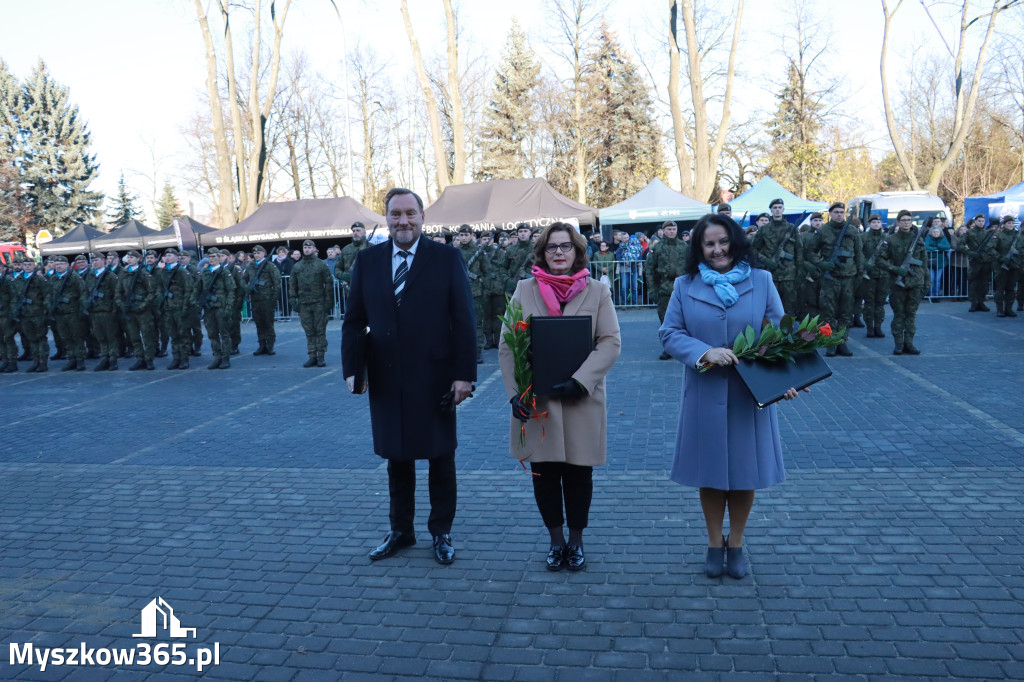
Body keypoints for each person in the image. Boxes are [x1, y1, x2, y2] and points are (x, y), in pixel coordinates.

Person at [659, 213, 805, 579]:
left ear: (735, 242)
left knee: (744, 472)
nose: (717, 249)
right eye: (709, 244)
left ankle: (736, 542)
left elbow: (780, 334)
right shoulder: (684, 285)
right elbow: (670, 332)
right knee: (710, 474)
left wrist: (785, 381)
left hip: (750, 394)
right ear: (699, 248)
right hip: (704, 392)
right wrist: (703, 352)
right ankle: (713, 542)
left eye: (723, 242)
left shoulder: (762, 280)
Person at [341, 187, 477, 565]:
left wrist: (464, 375)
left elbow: (464, 320)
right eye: (395, 214)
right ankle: (401, 530)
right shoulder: (368, 261)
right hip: (386, 378)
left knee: (439, 456)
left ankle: (441, 532)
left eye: (410, 214)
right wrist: (352, 369)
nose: (403, 221)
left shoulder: (446, 258)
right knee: (396, 457)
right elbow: (354, 320)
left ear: (422, 217)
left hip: (435, 377)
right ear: (386, 218)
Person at [499, 223, 621, 572]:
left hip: (581, 399)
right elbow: (508, 345)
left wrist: (582, 380)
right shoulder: (524, 289)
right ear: (542, 252)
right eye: (551, 247)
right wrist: (513, 395)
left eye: (566, 246)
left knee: (579, 476)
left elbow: (610, 342)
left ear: (577, 251)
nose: (558, 253)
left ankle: (577, 542)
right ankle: (556, 542)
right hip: (539, 401)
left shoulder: (598, 291)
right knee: (545, 474)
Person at [808, 202, 859, 357]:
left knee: (845, 313)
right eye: (836, 212)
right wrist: (821, 263)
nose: (839, 215)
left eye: (841, 212)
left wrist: (859, 274)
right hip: (829, 279)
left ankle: (842, 342)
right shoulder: (823, 231)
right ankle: (830, 343)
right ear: (830, 214)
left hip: (848, 277)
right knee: (827, 314)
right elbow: (810, 251)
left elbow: (859, 254)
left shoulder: (852, 230)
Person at [883, 210, 929, 355]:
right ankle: (898, 343)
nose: (906, 222)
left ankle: (909, 343)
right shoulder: (890, 240)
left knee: (911, 314)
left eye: (908, 220)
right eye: (903, 220)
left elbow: (924, 263)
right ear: (898, 222)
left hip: (915, 282)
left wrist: (927, 282)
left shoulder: (918, 240)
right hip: (898, 284)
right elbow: (879, 260)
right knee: (899, 314)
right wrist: (896, 269)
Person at [750, 198, 802, 315]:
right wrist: (766, 261)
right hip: (770, 274)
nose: (777, 210)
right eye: (775, 208)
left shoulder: (792, 228)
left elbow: (799, 250)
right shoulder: (764, 229)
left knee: (789, 308)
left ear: (783, 209)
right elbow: (753, 249)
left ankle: (789, 332)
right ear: (771, 210)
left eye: (780, 207)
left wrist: (799, 272)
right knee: (770, 306)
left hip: (789, 275)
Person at [646, 221, 689, 359]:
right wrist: (652, 290)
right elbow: (650, 270)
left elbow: (691, 266)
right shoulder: (657, 248)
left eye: (674, 229)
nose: (672, 232)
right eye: (669, 229)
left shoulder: (684, 246)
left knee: (685, 319)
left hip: (683, 288)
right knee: (665, 321)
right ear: (663, 231)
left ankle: (684, 347)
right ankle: (668, 348)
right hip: (664, 289)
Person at [289, 239, 332, 368]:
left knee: (320, 330)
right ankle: (312, 355)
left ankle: (321, 356)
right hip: (304, 304)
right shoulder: (297, 266)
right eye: (305, 247)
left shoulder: (321, 265)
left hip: (319, 302)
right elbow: (292, 285)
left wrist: (328, 302)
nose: (307, 249)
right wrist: (293, 301)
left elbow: (328, 284)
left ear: (314, 249)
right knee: (309, 331)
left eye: (309, 247)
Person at [116, 250, 157, 371]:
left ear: (138, 259)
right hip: (129, 310)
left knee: (147, 336)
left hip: (142, 310)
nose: (129, 259)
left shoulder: (144, 273)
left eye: (132, 257)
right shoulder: (123, 273)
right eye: (128, 257)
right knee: (134, 337)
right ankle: (139, 358)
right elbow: (118, 291)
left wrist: (143, 305)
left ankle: (149, 359)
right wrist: (121, 304)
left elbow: (152, 292)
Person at [195, 247, 236, 369]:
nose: (211, 259)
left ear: (219, 257)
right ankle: (217, 357)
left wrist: (228, 308)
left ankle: (225, 358)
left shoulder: (224, 272)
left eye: (214, 257)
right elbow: (198, 289)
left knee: (224, 333)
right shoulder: (205, 272)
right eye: (210, 257)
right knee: (212, 334)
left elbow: (231, 290)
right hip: (209, 308)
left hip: (221, 307)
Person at [456, 225, 491, 364]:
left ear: (471, 235)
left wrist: (480, 281)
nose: (463, 238)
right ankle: (461, 351)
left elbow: (487, 271)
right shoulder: (454, 252)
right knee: (458, 323)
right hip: (458, 291)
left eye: (466, 235)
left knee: (476, 324)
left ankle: (477, 352)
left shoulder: (479, 251)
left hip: (476, 292)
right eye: (461, 235)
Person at [47, 255, 87, 371]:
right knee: (66, 338)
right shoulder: (54, 278)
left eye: (61, 264)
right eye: (57, 264)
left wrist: (82, 310)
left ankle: (80, 360)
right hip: (60, 313)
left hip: (73, 312)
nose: (58, 266)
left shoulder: (74, 277)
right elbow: (49, 294)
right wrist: (50, 306)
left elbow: (83, 293)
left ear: (67, 265)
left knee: (76, 337)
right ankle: (71, 359)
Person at [159, 248, 195, 370]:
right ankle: (176, 358)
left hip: (180, 307)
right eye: (166, 255)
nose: (167, 257)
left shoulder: (181, 271)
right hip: (168, 308)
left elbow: (189, 290)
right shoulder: (163, 271)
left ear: (176, 257)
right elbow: (159, 288)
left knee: (183, 334)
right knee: (173, 335)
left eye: (170, 255)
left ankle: (184, 358)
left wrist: (185, 307)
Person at [84, 252, 120, 371]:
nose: (95, 262)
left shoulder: (110, 275)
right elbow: (86, 292)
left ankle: (113, 359)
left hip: (107, 311)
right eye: (93, 260)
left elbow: (117, 294)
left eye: (97, 260)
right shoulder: (90, 276)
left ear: (104, 261)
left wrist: (114, 310)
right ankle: (104, 358)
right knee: (100, 337)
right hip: (95, 312)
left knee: (111, 337)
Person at [245, 244, 282, 355]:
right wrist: (247, 288)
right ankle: (262, 344)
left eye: (259, 253)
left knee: (268, 323)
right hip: (255, 299)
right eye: (255, 253)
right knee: (259, 323)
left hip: (267, 299)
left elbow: (277, 281)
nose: (256, 255)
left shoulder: (270, 266)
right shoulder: (250, 266)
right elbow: (243, 279)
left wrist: (274, 298)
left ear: (264, 254)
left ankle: (270, 345)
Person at [957, 213, 997, 312]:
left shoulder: (987, 233)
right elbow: (960, 245)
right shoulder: (969, 233)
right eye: (979, 221)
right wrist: (970, 252)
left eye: (982, 221)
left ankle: (981, 302)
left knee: (984, 283)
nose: (981, 223)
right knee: (974, 282)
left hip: (986, 261)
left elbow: (992, 246)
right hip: (975, 262)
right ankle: (974, 303)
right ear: (975, 222)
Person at [860, 214, 890, 338]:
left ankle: (878, 326)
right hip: (869, 274)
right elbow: (859, 252)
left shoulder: (887, 237)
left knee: (880, 302)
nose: (876, 224)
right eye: (873, 222)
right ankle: (869, 327)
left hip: (883, 274)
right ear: (869, 224)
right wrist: (864, 265)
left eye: (878, 222)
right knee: (869, 302)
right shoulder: (863, 237)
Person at [992, 216, 1023, 317]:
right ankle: (1000, 309)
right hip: (1002, 266)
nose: (1011, 225)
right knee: (1000, 288)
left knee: (1011, 288)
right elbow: (991, 249)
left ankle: (1009, 309)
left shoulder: (1019, 235)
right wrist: (1001, 257)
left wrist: (1019, 253)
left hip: (1015, 265)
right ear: (1004, 224)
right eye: (1009, 223)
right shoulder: (998, 235)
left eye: (1012, 223)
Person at [923, 217, 951, 299]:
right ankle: (931, 294)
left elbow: (947, 246)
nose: (935, 233)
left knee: (938, 279)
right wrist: (937, 249)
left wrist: (937, 246)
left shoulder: (943, 238)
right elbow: (926, 247)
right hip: (930, 261)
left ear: (940, 232)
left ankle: (936, 294)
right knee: (931, 279)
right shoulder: (928, 238)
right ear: (931, 232)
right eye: (934, 231)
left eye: (937, 231)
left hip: (941, 262)